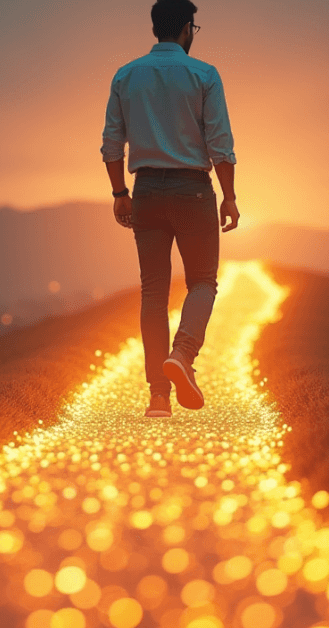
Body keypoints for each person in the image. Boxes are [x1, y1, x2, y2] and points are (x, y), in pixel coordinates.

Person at [101, 0, 241, 418]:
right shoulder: (204, 75)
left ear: (154, 29)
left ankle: (158, 397)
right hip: (193, 191)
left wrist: (119, 193)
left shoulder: (126, 75)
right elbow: (221, 145)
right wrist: (229, 196)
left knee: (153, 292)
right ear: (186, 29)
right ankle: (182, 355)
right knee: (202, 282)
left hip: (145, 191)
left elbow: (111, 143)